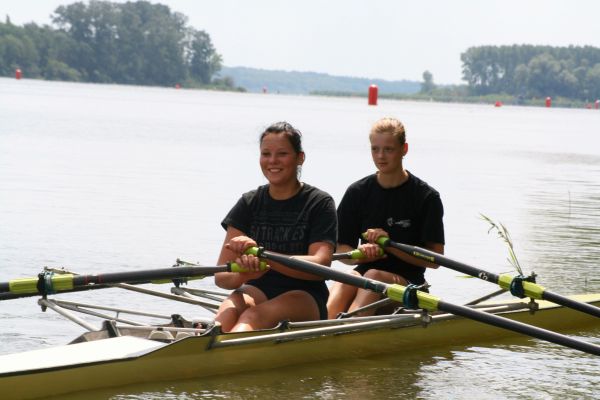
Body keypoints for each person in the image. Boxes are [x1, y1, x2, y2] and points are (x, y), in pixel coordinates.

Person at [214, 121, 337, 332]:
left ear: (300, 158)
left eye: (282, 154)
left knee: (252, 316)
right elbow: (221, 277)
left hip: (304, 295)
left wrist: (262, 256)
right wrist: (243, 275)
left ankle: (223, 350)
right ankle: (205, 343)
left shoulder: (319, 203)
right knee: (226, 315)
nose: (272, 161)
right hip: (257, 288)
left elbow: (321, 265)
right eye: (266, 154)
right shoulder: (249, 202)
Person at [327, 117, 445, 318]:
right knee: (347, 278)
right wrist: (361, 254)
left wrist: (389, 245)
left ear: (404, 149)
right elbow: (342, 249)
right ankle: (323, 325)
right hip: (364, 277)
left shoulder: (426, 197)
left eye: (388, 149)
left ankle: (349, 327)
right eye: (375, 149)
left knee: (374, 276)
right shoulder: (357, 192)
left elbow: (435, 259)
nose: (380, 156)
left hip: (410, 285)